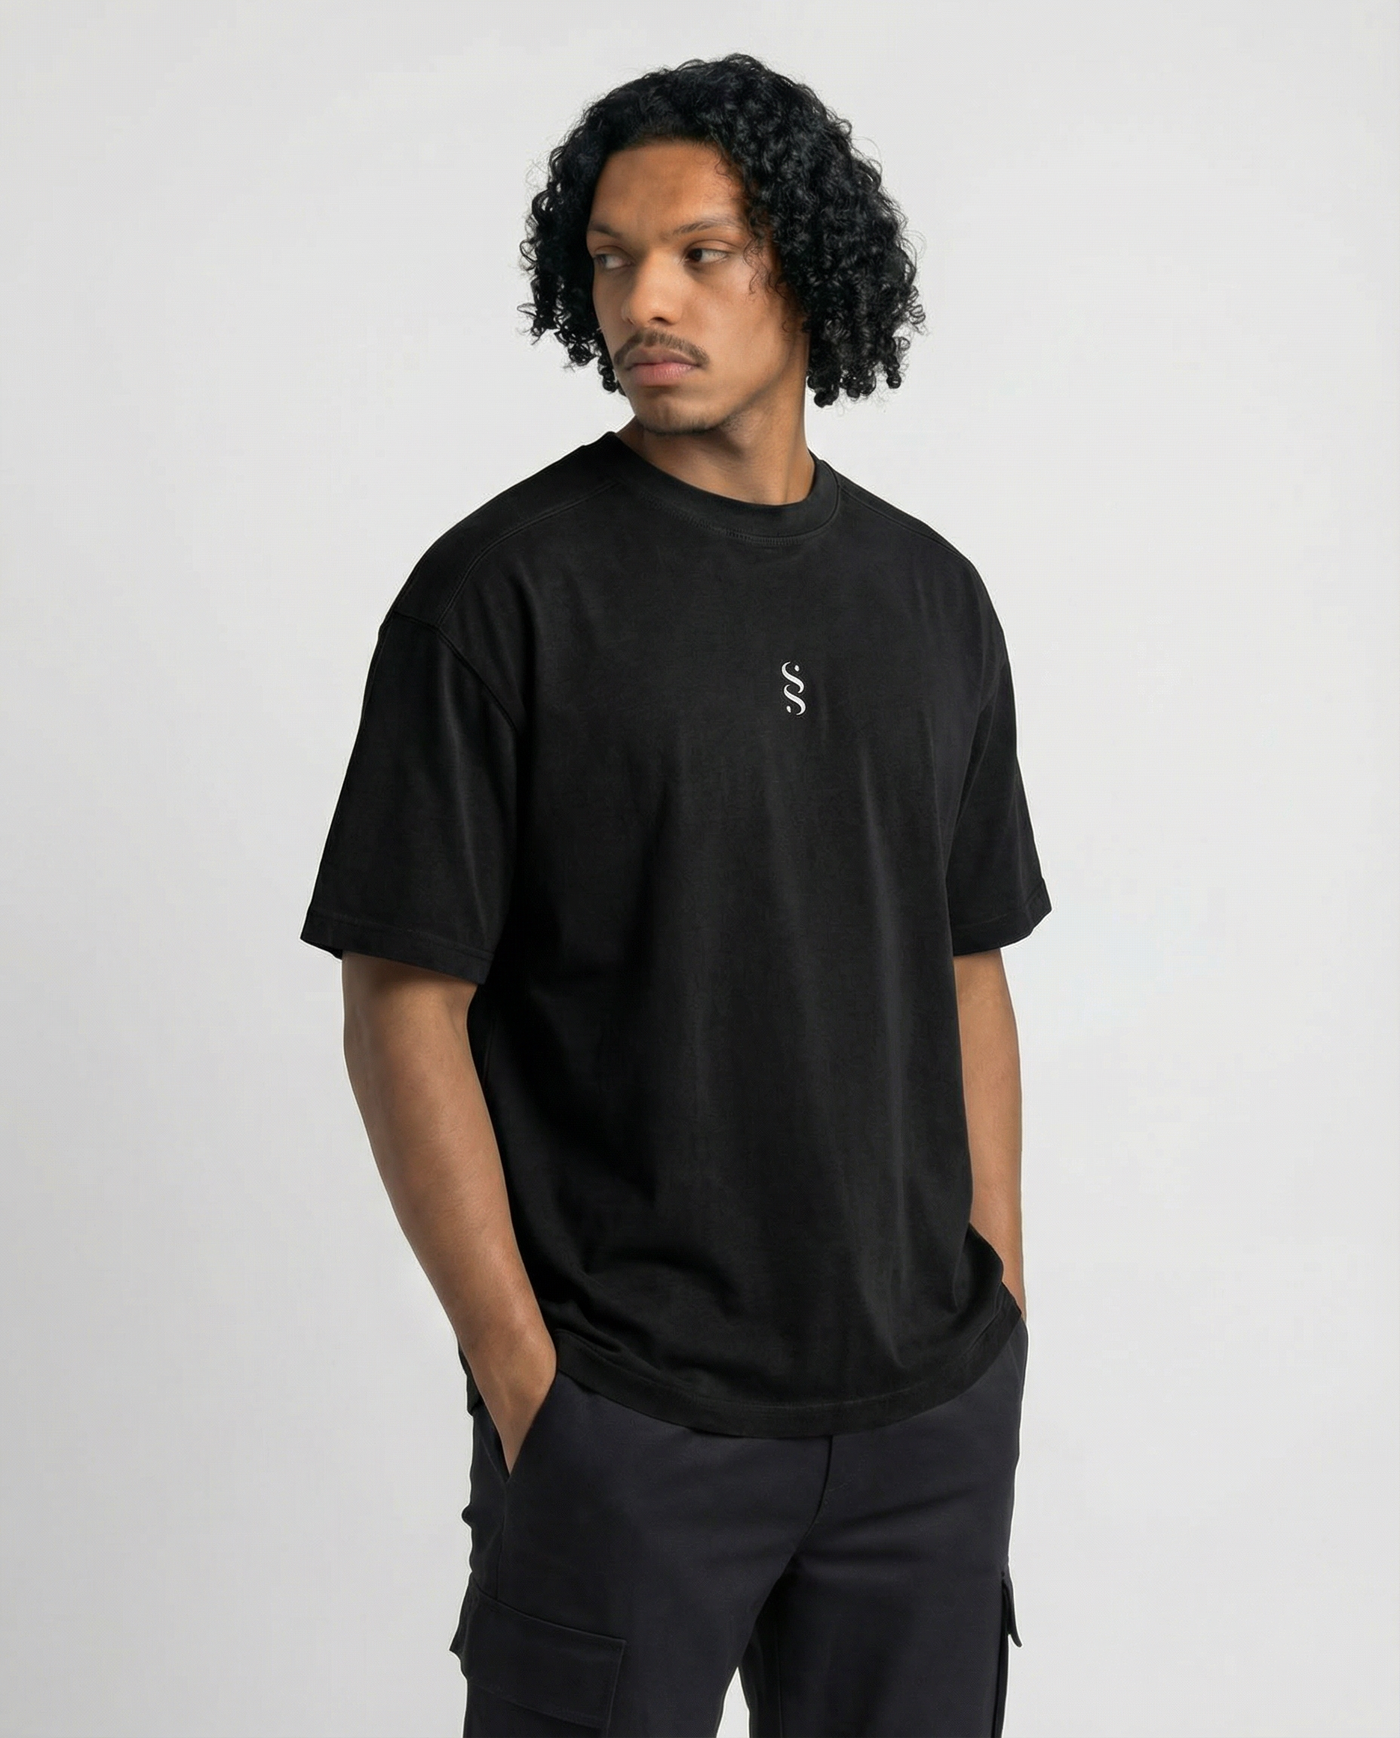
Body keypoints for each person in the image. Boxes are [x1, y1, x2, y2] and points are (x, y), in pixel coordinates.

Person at [300, 50, 1051, 1738]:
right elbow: (402, 998)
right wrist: (526, 1379)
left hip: (923, 1424)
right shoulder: (498, 597)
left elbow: (966, 964)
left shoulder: (931, 600)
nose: (645, 299)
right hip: (626, 1418)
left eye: (702, 253)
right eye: (612, 259)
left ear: (811, 267)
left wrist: (996, 1297)